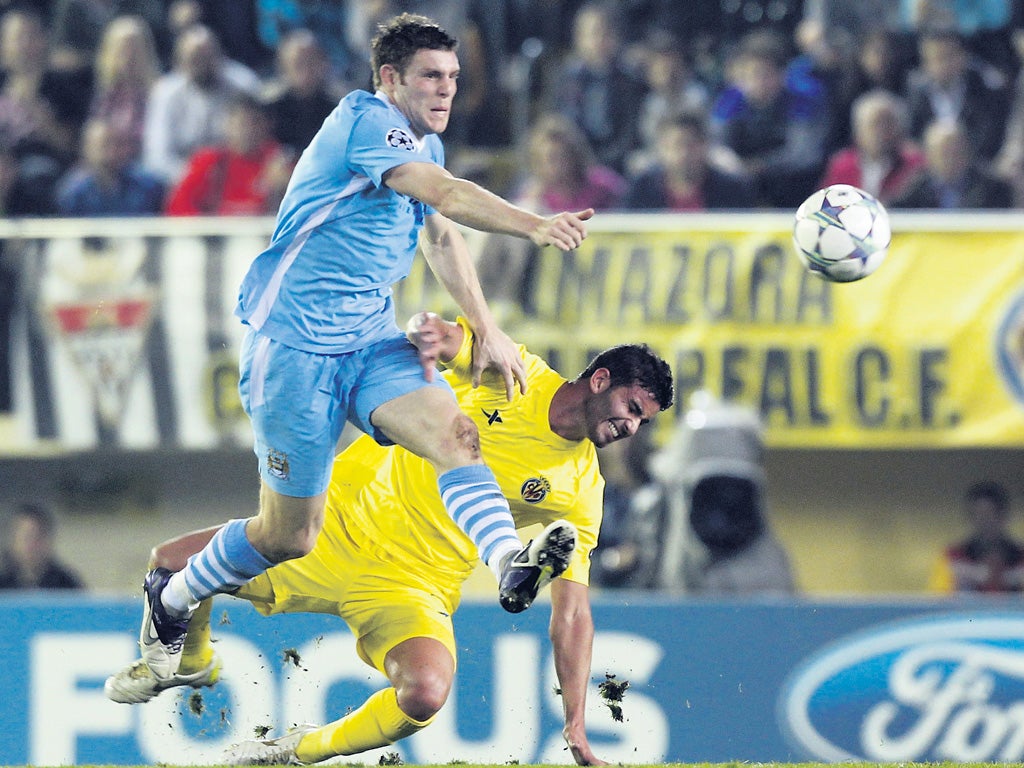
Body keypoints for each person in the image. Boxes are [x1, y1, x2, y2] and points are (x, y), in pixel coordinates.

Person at [133, 13, 595, 693]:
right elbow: (446, 196)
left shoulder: (422, 146)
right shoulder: (364, 122)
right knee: (290, 536)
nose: (447, 91)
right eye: (432, 77)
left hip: (371, 340)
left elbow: (439, 235)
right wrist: (534, 223)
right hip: (293, 349)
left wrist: (485, 327)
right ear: (389, 79)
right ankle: (170, 599)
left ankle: (506, 561)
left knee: (457, 436)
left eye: (455, 78)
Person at [104, 311, 675, 767]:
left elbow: (572, 615)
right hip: (331, 528)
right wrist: (431, 333)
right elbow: (454, 339)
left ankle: (295, 752)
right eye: (631, 409)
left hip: (412, 584)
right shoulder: (514, 373)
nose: (630, 428)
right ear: (600, 380)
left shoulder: (582, 489)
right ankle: (194, 657)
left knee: (426, 692)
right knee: (169, 564)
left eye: (641, 423)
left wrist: (574, 720)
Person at [710, 29, 828, 208]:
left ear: (782, 74)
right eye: (751, 75)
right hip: (743, 183)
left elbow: (803, 154)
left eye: (766, 74)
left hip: (795, 187)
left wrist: (758, 166)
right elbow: (717, 145)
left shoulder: (804, 99)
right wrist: (734, 164)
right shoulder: (730, 99)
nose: (758, 82)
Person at [141, 23, 261, 184]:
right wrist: (196, 178)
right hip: (181, 180)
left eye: (207, 56)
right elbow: (157, 155)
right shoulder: (165, 93)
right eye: (195, 58)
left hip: (237, 179)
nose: (202, 64)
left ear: (220, 55)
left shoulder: (244, 85)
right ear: (180, 60)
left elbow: (261, 142)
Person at [164, 94, 292, 216]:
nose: (248, 130)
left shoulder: (278, 162)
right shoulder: (208, 161)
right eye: (242, 123)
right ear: (228, 125)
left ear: (266, 126)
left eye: (255, 122)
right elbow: (177, 206)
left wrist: (283, 189)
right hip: (217, 235)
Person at [622, 108, 756, 211]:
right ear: (661, 149)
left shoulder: (732, 190)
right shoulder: (641, 189)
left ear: (705, 145)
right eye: (676, 145)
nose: (684, 153)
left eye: (691, 145)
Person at [818, 89, 925, 205]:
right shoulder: (842, 166)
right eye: (874, 124)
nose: (881, 132)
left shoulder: (914, 165)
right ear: (858, 132)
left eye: (888, 124)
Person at [889, 118, 1013, 209]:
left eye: (956, 150)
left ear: (967, 153)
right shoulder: (913, 190)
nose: (951, 158)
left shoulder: (993, 189)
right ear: (929, 156)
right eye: (944, 152)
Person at [56, 116, 165, 216]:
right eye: (104, 145)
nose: (111, 152)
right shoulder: (73, 193)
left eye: (117, 144)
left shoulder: (149, 187)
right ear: (87, 149)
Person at [930, 480, 1024, 593]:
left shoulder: (1020, 558)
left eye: (989, 514)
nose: (983, 522)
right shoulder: (953, 557)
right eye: (977, 515)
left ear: (1003, 515)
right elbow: (938, 599)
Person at [0, 503, 84, 590]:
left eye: (39, 537)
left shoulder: (67, 584)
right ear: (12, 540)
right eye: (28, 537)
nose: (33, 544)